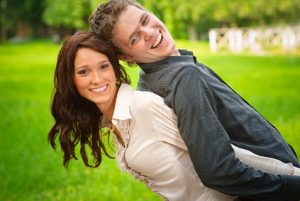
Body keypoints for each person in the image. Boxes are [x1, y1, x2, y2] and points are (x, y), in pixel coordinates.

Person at [48, 31, 300, 201]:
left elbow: (226, 155)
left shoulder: (143, 107)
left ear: (115, 69)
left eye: (103, 66)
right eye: (83, 71)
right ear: (71, 80)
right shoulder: (115, 124)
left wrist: (290, 177)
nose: (97, 79)